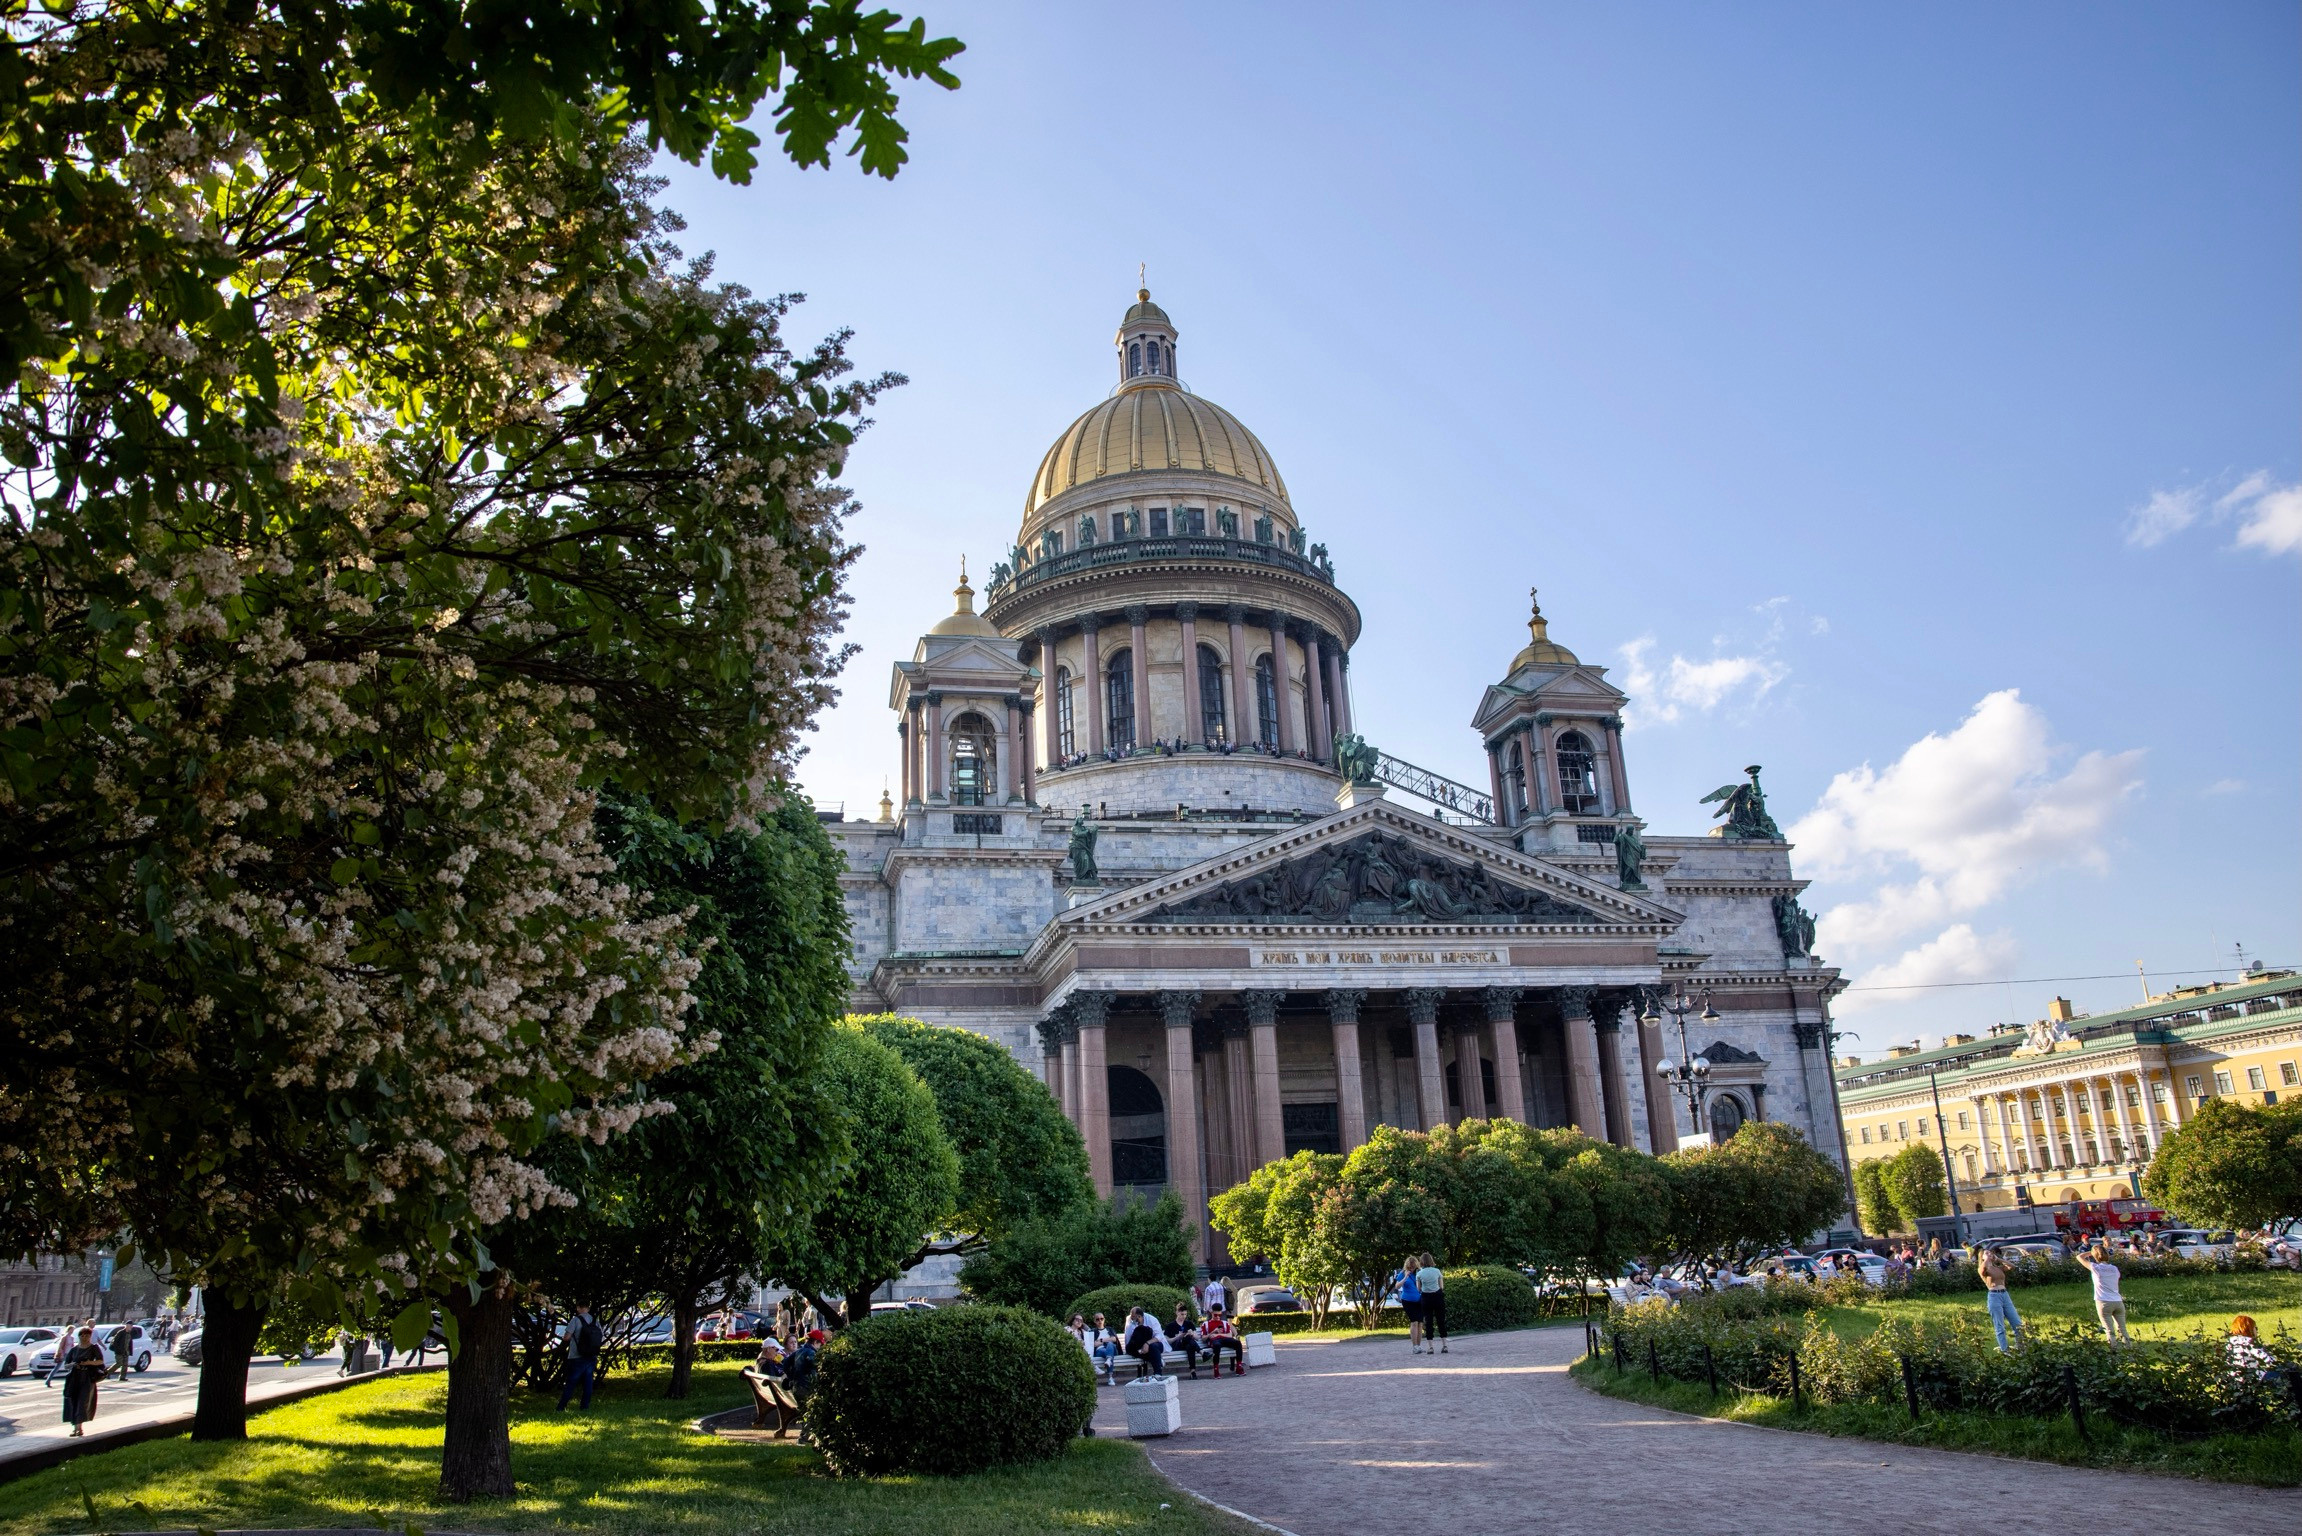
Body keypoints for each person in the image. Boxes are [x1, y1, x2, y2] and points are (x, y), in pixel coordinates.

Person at [58, 1327, 108, 1436]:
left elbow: (100, 1361)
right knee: (73, 1401)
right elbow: (66, 1365)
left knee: (82, 1402)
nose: (84, 1338)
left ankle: (79, 1428)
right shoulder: (74, 1349)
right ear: (79, 1336)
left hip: (87, 1378)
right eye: (82, 1336)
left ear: (90, 1336)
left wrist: (88, 1363)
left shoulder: (94, 1348)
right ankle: (75, 1427)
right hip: (74, 1377)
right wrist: (73, 1364)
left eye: (87, 1336)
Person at [2073, 1243, 2128, 1341]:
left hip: (2103, 1301)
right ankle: (2129, 1350)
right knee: (2122, 1330)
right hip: (2118, 1301)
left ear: (2095, 1256)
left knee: (2109, 1330)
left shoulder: (2095, 1268)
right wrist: (2101, 1251)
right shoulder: (2114, 1269)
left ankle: (2113, 1351)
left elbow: (2079, 1257)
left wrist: (2092, 1252)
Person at [1977, 1245, 2023, 1351]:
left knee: (2017, 1324)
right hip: (1994, 1296)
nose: (1990, 1254)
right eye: (1987, 1253)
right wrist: (1987, 1259)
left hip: (2005, 1295)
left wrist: (1998, 1259)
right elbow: (1983, 1269)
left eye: (1990, 1252)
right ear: (1982, 1257)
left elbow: (2012, 1266)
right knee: (2000, 1326)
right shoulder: (1982, 1268)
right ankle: (2004, 1350)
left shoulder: (1998, 1268)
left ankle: (2020, 1347)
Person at [557, 1303, 602, 1410]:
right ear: (588, 1308)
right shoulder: (595, 1321)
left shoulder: (576, 1320)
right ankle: (584, 1406)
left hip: (576, 1356)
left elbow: (566, 1337)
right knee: (588, 1382)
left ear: (578, 1308)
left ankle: (561, 1407)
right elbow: (601, 1336)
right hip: (591, 1355)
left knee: (571, 1382)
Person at [1415, 1253, 1448, 1354]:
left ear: (1421, 1262)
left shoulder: (1419, 1274)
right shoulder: (1437, 1271)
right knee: (1441, 1320)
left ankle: (1431, 1347)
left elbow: (1418, 1288)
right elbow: (1441, 1286)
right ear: (1431, 1260)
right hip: (1437, 1297)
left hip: (1426, 1297)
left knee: (1428, 1322)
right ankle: (1445, 1345)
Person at [1201, 1302, 1244, 1376]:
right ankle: (1216, 1369)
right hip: (1215, 1341)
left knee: (1237, 1343)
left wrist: (1219, 1334)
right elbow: (1203, 1338)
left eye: (1220, 1315)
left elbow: (1230, 1335)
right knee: (1217, 1346)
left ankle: (1239, 1366)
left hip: (1225, 1339)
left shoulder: (1224, 1323)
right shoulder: (1206, 1324)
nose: (1218, 1317)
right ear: (1211, 1313)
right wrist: (1212, 1332)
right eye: (1216, 1315)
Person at [1165, 1304, 1205, 1379]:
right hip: (1177, 1346)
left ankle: (1193, 1372)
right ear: (1177, 1313)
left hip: (1188, 1345)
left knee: (1190, 1345)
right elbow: (1167, 1341)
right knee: (1187, 1338)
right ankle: (1202, 1352)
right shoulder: (1170, 1326)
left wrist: (1192, 1334)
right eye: (1182, 1314)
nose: (1184, 1316)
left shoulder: (1189, 1324)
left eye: (1185, 1314)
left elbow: (1197, 1338)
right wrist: (1178, 1337)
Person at [1122, 1307, 1164, 1379]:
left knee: (1152, 1347)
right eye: (1131, 1317)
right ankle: (1158, 1360)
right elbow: (1128, 1336)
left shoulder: (1152, 1320)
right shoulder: (1129, 1320)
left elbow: (1159, 1336)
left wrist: (1147, 1344)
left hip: (1156, 1344)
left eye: (1133, 1317)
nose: (1132, 1319)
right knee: (1133, 1350)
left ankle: (1158, 1373)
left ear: (1139, 1316)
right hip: (1140, 1348)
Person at [1399, 1260, 1425, 1353]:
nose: (1412, 1269)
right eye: (1410, 1267)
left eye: (1413, 1267)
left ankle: (1418, 1346)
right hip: (1408, 1301)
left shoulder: (1419, 1272)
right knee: (1414, 1322)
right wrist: (1405, 1277)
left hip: (1419, 1300)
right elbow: (1397, 1286)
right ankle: (1414, 1347)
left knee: (1420, 1323)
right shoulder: (1403, 1273)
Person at [1087, 1313, 1119, 1383]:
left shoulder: (1109, 1329)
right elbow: (1093, 1344)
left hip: (1112, 1349)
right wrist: (1108, 1339)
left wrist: (1101, 1340)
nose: (1100, 1321)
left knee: (1110, 1344)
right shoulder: (1092, 1331)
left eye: (1101, 1319)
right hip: (1100, 1351)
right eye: (1097, 1319)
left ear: (1104, 1319)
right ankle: (1110, 1377)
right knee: (1107, 1352)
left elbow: (1114, 1339)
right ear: (1094, 1321)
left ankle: (1108, 1359)